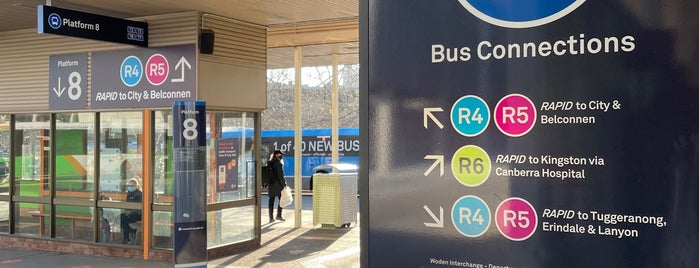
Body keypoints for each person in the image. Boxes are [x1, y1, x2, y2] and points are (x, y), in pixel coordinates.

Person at [120, 178, 142, 244]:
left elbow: (140, 206)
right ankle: (128, 236)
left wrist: (131, 211)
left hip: (137, 214)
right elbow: (127, 204)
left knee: (125, 220)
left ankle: (130, 234)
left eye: (132, 186)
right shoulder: (129, 193)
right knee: (122, 216)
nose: (130, 187)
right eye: (129, 185)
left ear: (136, 186)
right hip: (129, 213)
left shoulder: (140, 194)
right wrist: (126, 211)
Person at [268, 150, 287, 223]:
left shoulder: (270, 162)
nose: (281, 156)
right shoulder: (278, 163)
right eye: (280, 154)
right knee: (282, 200)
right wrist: (284, 184)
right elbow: (280, 176)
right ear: (276, 155)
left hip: (271, 184)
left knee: (271, 201)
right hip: (278, 185)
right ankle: (278, 215)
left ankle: (271, 218)